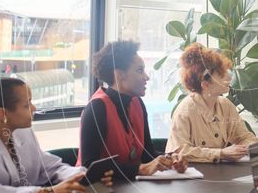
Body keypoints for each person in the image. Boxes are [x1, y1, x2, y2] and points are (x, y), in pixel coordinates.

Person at [0, 77, 112, 193]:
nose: (33, 108)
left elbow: (50, 168)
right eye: (27, 105)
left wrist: (82, 177)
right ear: (2, 113)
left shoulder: (23, 132)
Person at [79, 40, 187, 178]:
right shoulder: (96, 108)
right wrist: (140, 169)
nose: (146, 77)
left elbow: (147, 154)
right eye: (140, 70)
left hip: (129, 190)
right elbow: (89, 166)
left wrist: (171, 160)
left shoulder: (138, 103)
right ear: (119, 75)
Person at [165, 43, 258, 162]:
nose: (229, 78)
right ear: (206, 85)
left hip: (222, 175)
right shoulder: (184, 112)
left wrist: (247, 146)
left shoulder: (226, 105)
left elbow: (245, 136)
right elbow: (178, 151)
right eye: (221, 74)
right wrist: (221, 154)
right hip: (192, 178)